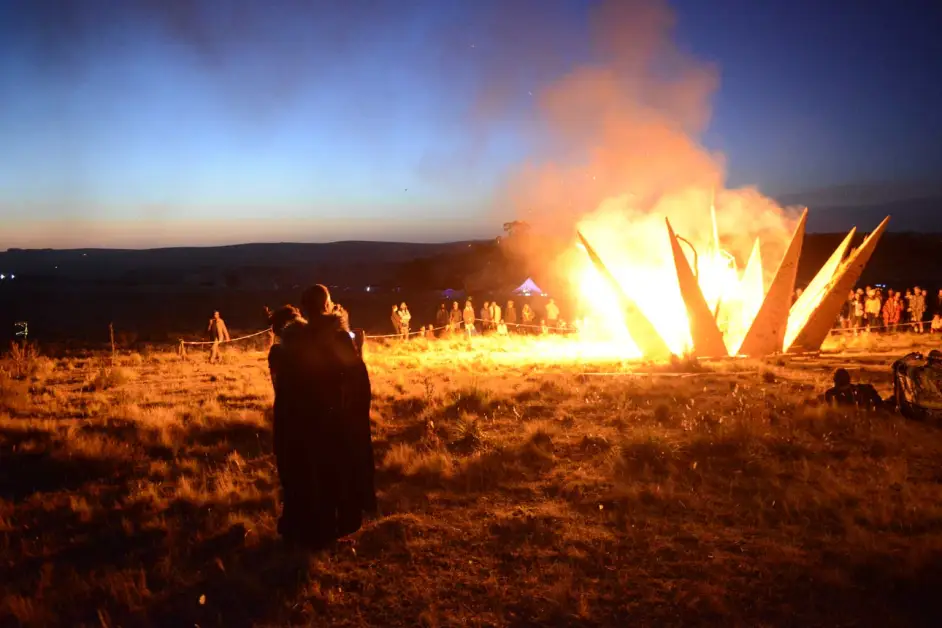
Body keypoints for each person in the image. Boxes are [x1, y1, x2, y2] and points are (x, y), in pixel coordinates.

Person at [267, 285, 376, 550]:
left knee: (306, 473)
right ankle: (327, 530)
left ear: (303, 308)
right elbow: (354, 378)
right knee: (332, 474)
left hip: (300, 421)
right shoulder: (336, 339)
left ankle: (305, 530)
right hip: (331, 419)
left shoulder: (292, 342)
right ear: (327, 306)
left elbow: (284, 387)